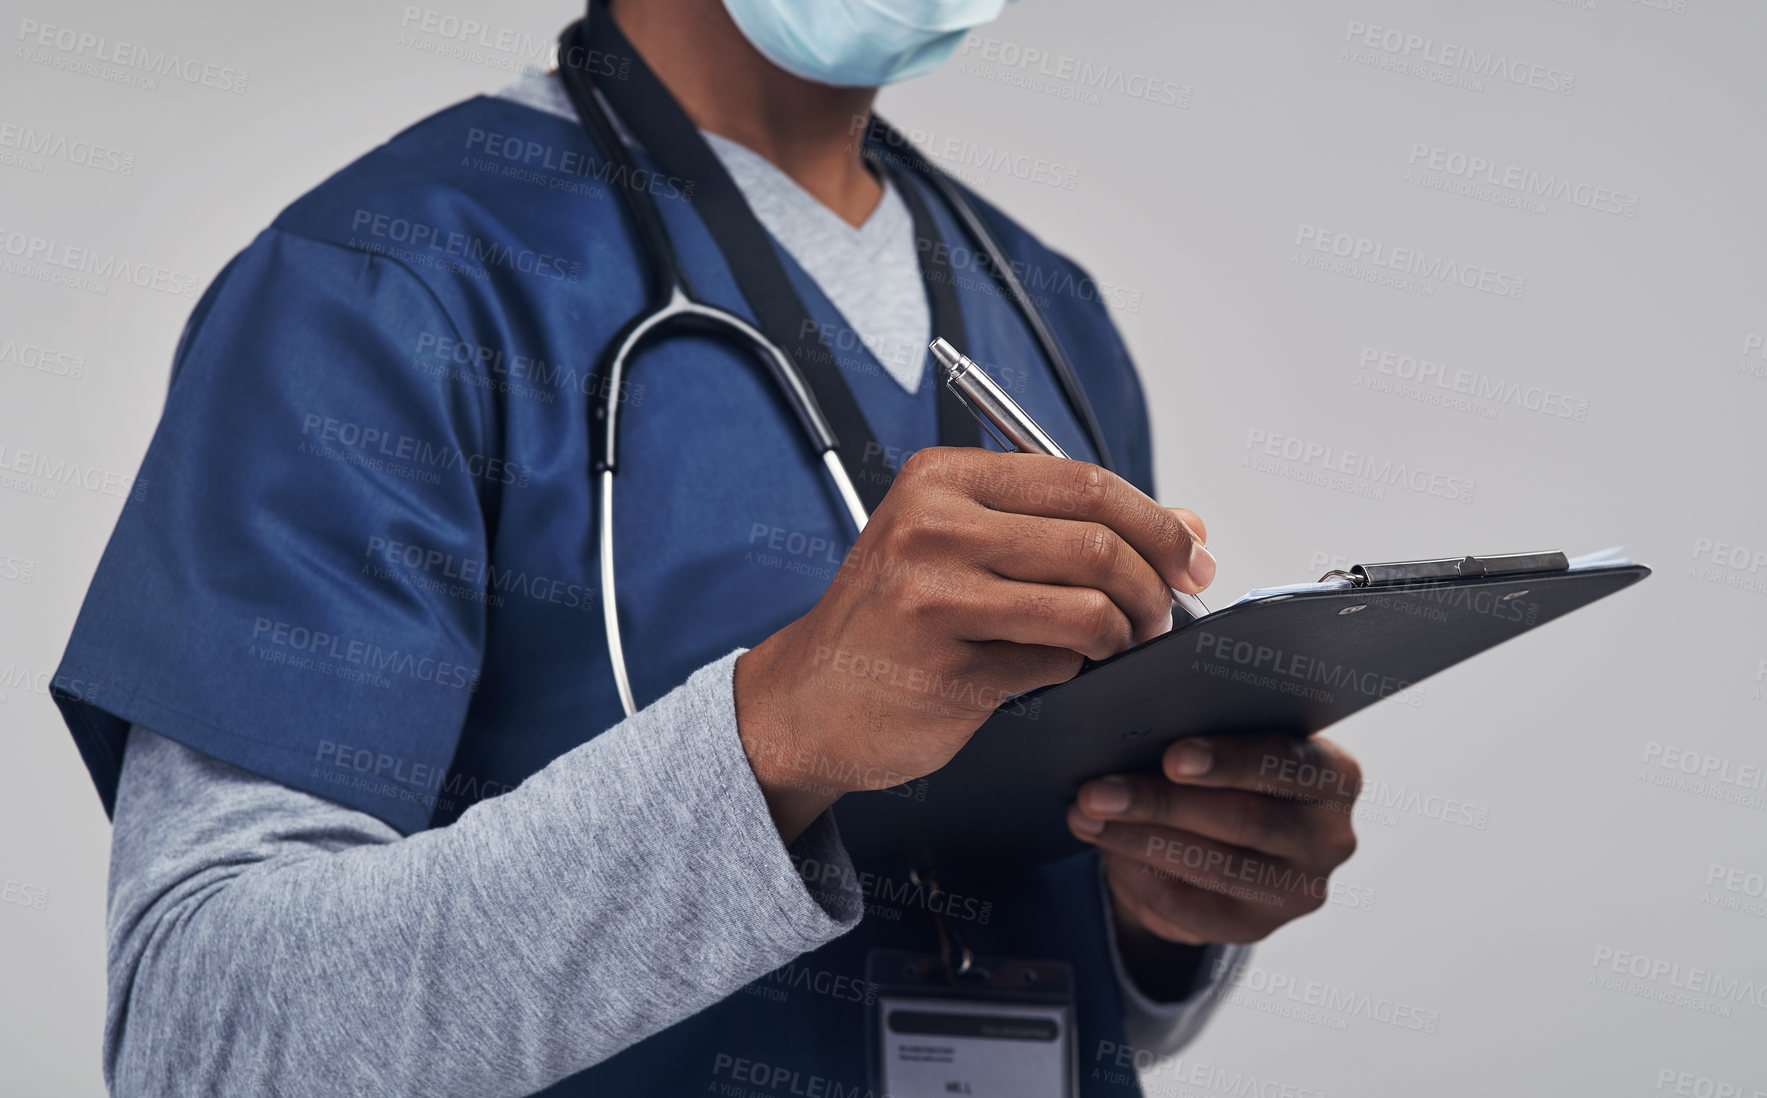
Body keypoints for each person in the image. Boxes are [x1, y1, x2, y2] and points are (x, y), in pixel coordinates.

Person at [52, 0, 1363, 1094]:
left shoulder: (1049, 309)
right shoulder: (387, 282)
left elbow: (1045, 984)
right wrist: (769, 736)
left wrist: (1158, 912)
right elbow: (202, 1038)